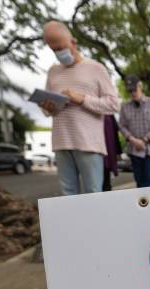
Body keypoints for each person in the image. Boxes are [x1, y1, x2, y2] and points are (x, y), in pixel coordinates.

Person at [39, 21, 119, 195]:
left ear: (73, 42)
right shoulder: (52, 72)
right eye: (54, 50)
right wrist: (48, 107)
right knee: (68, 195)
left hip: (88, 143)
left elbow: (113, 104)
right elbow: (47, 111)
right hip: (61, 142)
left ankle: (97, 224)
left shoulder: (96, 68)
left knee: (93, 194)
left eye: (61, 47)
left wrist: (81, 99)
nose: (59, 53)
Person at [118, 75, 150, 187]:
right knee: (140, 182)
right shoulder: (125, 106)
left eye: (134, 89)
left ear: (140, 86)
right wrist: (133, 140)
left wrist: (144, 140)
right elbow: (122, 126)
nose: (133, 93)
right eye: (130, 90)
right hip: (135, 150)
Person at [102, 115, 122, 191]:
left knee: (106, 181)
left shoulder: (109, 114)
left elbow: (115, 133)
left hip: (107, 153)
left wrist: (118, 152)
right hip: (93, 151)